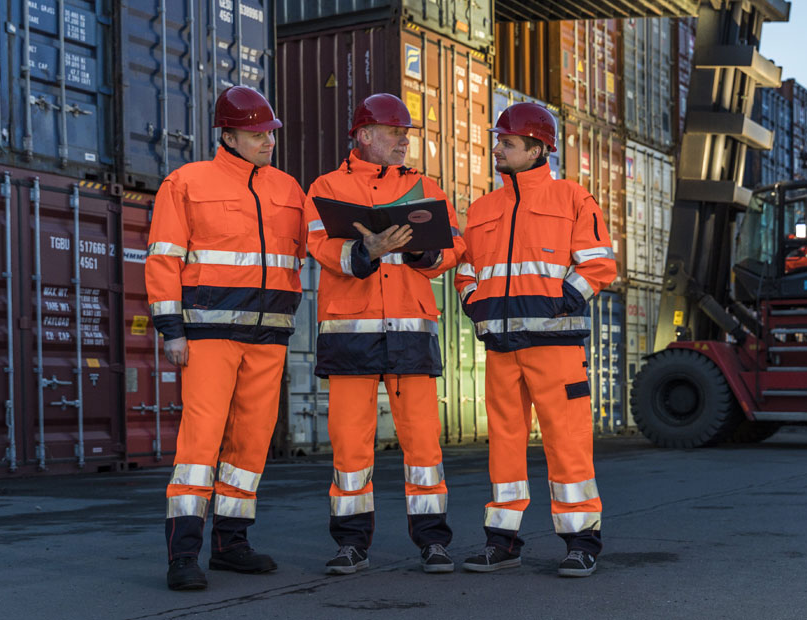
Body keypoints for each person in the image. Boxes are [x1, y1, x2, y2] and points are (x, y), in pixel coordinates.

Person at [145, 85, 307, 591]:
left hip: (269, 336)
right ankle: (183, 555)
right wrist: (171, 329)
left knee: (251, 442)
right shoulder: (186, 182)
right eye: (256, 134)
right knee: (200, 443)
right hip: (209, 334)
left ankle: (232, 545)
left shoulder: (289, 189)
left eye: (270, 133)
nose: (267, 142)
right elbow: (163, 259)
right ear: (229, 135)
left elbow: (316, 249)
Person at [303, 93, 466, 575]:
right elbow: (319, 245)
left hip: (411, 333)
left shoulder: (425, 187)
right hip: (350, 335)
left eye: (406, 134)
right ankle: (350, 545)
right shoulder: (326, 187)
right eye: (395, 133)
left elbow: (455, 245)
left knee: (424, 447)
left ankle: (434, 543)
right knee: (350, 448)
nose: (403, 141)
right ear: (364, 135)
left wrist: (422, 254)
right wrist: (365, 250)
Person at [454, 102, 617, 577]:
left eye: (507, 142)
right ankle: (502, 542)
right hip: (502, 350)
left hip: (556, 350)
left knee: (567, 444)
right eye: (498, 141)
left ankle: (581, 541)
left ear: (536, 148)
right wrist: (471, 301)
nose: (497, 149)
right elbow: (467, 270)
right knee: (503, 446)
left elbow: (599, 263)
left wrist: (564, 299)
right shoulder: (483, 209)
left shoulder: (572, 198)